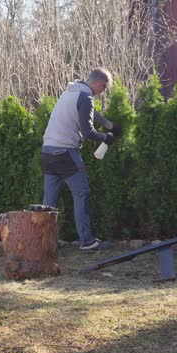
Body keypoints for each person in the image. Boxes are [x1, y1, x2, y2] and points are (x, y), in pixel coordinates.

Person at [41, 68, 119, 250]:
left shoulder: (72, 91)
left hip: (47, 152)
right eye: (104, 89)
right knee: (81, 194)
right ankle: (87, 242)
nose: (102, 93)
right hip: (66, 153)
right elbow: (89, 133)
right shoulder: (86, 98)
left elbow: (88, 113)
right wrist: (106, 137)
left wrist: (109, 125)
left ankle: (43, 244)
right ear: (100, 85)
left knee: (48, 202)